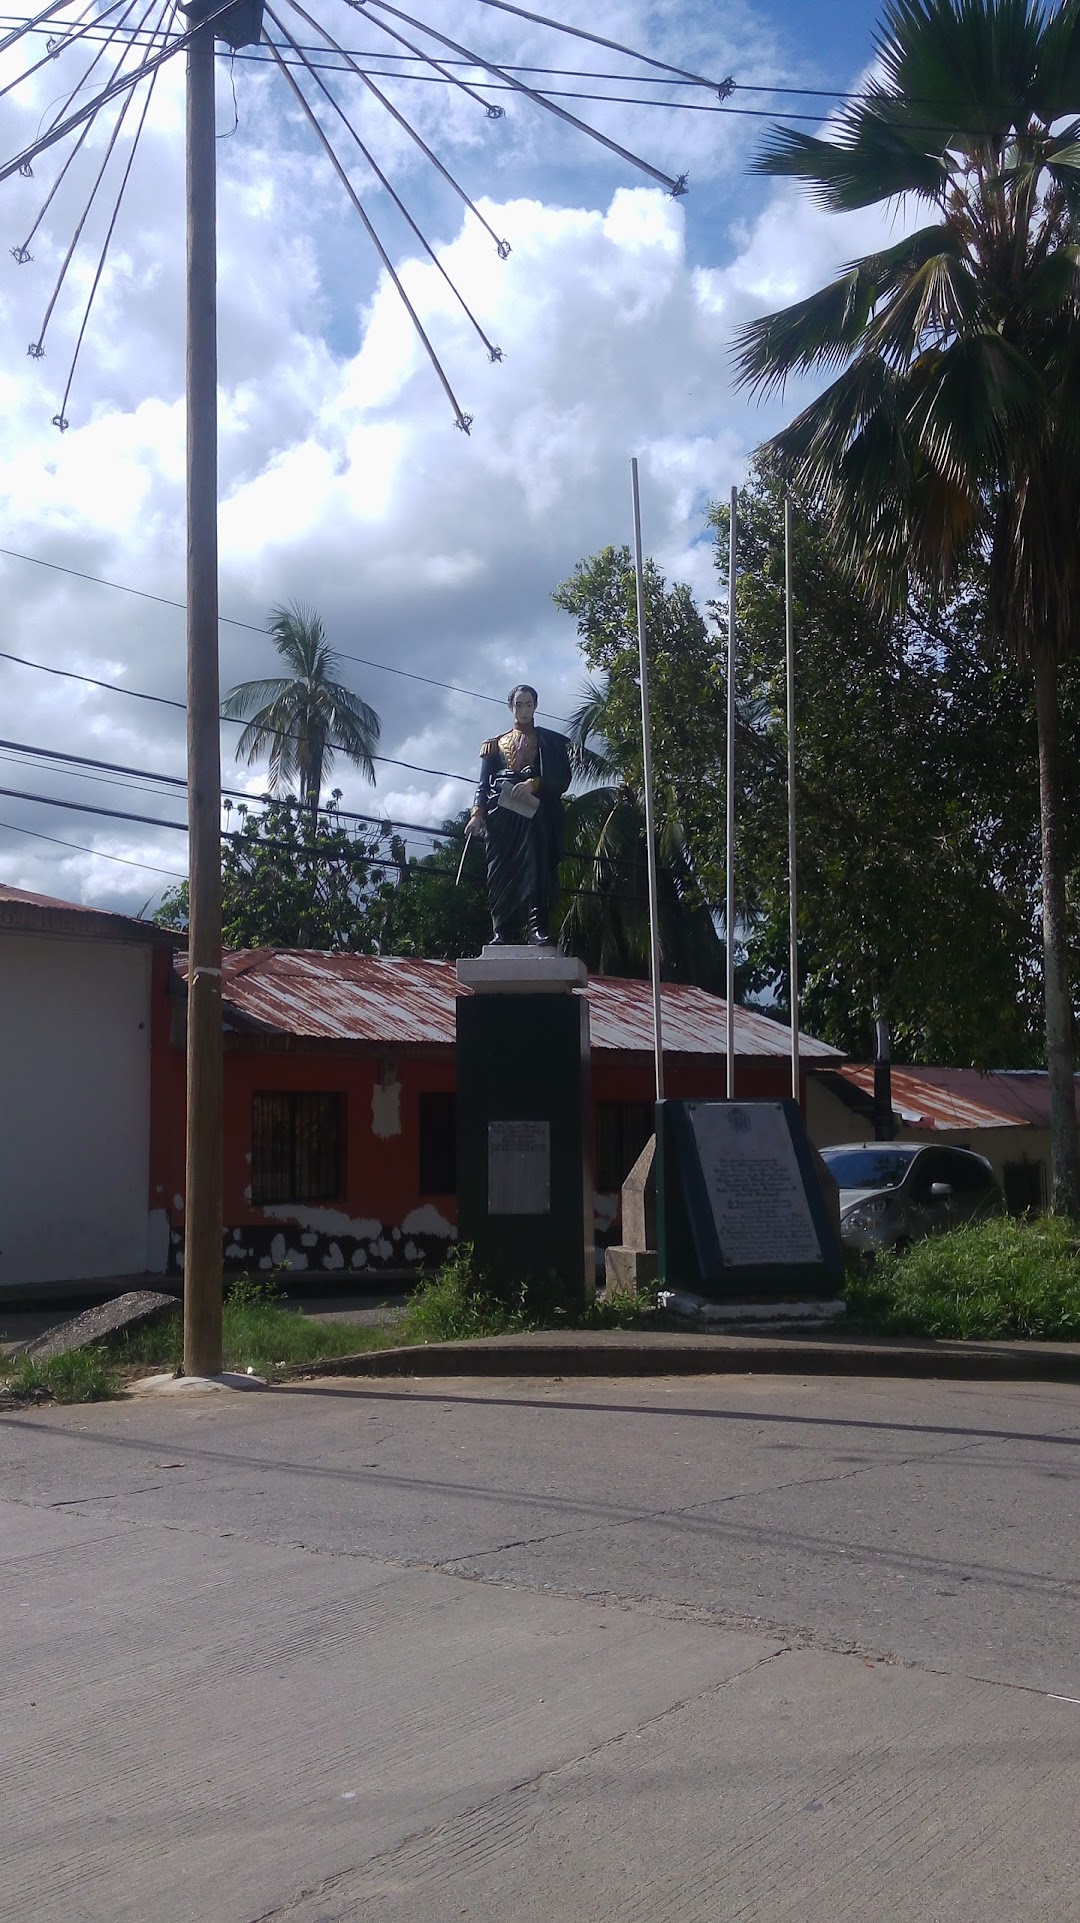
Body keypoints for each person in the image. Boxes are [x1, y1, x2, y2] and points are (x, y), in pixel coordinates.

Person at [466, 683, 571, 945]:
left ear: (535, 706)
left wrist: (535, 784)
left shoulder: (550, 742)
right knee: (500, 871)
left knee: (535, 868)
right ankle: (501, 930)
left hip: (534, 814)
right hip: (500, 813)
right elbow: (483, 783)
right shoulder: (494, 744)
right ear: (510, 706)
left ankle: (536, 928)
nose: (523, 710)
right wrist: (477, 814)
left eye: (528, 704)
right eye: (519, 704)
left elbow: (562, 778)